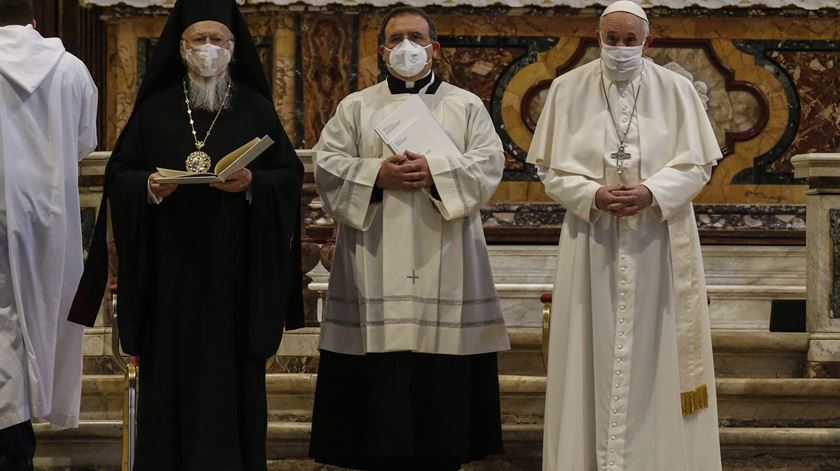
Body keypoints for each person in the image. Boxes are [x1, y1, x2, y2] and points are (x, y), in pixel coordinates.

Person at [68, 0, 303, 469]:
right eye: (199, 40)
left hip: (236, 274)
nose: (209, 49)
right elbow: (120, 175)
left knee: (232, 383)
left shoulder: (255, 107)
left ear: (235, 49)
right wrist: (150, 186)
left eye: (219, 40)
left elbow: (288, 175)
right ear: (180, 48)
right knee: (170, 379)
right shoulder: (156, 108)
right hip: (170, 274)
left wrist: (253, 181)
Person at [309, 6, 509, 470]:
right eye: (396, 38)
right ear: (382, 52)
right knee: (381, 383)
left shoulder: (465, 104)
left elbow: (488, 164)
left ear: (434, 49)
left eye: (415, 37)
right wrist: (376, 173)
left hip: (448, 256)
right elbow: (327, 164)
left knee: (442, 398)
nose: (406, 46)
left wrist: (434, 171)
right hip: (374, 258)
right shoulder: (357, 105)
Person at [527, 1, 722, 470]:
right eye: (610, 40)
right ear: (598, 39)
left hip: (659, 240)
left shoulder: (676, 90)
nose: (619, 49)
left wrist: (653, 191)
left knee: (659, 353)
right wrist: (591, 195)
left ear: (647, 42)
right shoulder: (566, 88)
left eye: (629, 40)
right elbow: (551, 170)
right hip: (591, 241)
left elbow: (697, 164)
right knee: (586, 351)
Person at [0, 0, 98, 468]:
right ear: (34, 23)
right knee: (39, 323)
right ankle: (25, 433)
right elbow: (83, 143)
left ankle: (11, 439)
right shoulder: (71, 68)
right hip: (49, 216)